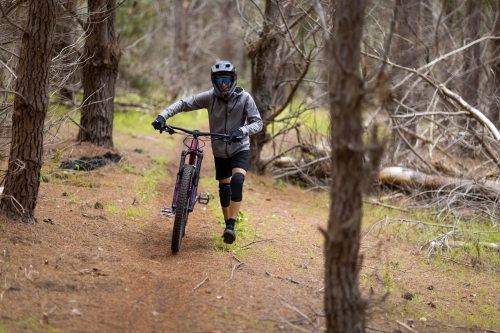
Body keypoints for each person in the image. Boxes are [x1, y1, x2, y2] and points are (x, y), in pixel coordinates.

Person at [152, 60, 263, 244]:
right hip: (220, 150)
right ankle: (227, 223)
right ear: (214, 82)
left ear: (233, 79)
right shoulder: (210, 97)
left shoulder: (245, 98)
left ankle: (231, 226)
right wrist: (163, 115)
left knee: (237, 181)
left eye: (227, 79)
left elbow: (257, 122)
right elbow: (184, 103)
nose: (224, 84)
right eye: (219, 81)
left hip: (239, 147)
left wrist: (242, 131)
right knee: (224, 188)